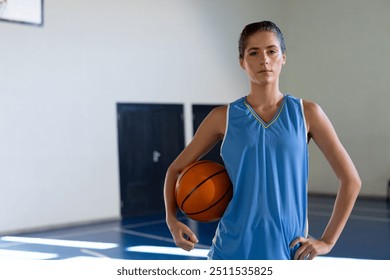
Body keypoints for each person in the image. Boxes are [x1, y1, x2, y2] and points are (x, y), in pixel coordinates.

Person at [164, 20, 361, 260]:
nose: (264, 59)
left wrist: (327, 241)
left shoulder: (306, 113)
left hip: (287, 253)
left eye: (271, 51)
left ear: (283, 57)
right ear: (242, 62)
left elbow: (351, 180)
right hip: (230, 252)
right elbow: (175, 169)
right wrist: (172, 220)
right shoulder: (221, 117)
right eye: (253, 52)